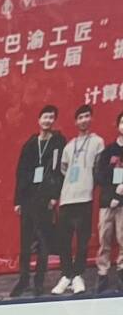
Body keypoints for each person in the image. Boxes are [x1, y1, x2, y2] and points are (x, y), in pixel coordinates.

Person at [13, 105, 64, 297]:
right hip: (28, 199)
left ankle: (38, 282)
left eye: (51, 117)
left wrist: (54, 196)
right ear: (39, 120)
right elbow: (21, 172)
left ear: (54, 121)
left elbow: (59, 170)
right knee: (25, 243)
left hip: (45, 200)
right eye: (45, 117)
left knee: (43, 242)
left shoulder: (58, 141)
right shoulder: (30, 144)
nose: (47, 121)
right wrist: (17, 200)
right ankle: (23, 279)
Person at [55, 105, 102, 295]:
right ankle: (67, 275)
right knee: (64, 240)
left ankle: (78, 276)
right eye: (80, 117)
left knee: (82, 241)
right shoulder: (68, 146)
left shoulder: (98, 142)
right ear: (76, 122)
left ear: (90, 119)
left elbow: (98, 168)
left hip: (85, 197)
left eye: (86, 116)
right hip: (67, 198)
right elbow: (64, 169)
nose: (83, 120)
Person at [97, 109, 123, 292]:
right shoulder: (109, 150)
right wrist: (112, 196)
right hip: (107, 203)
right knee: (104, 239)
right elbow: (100, 176)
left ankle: (121, 270)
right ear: (118, 125)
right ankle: (103, 273)